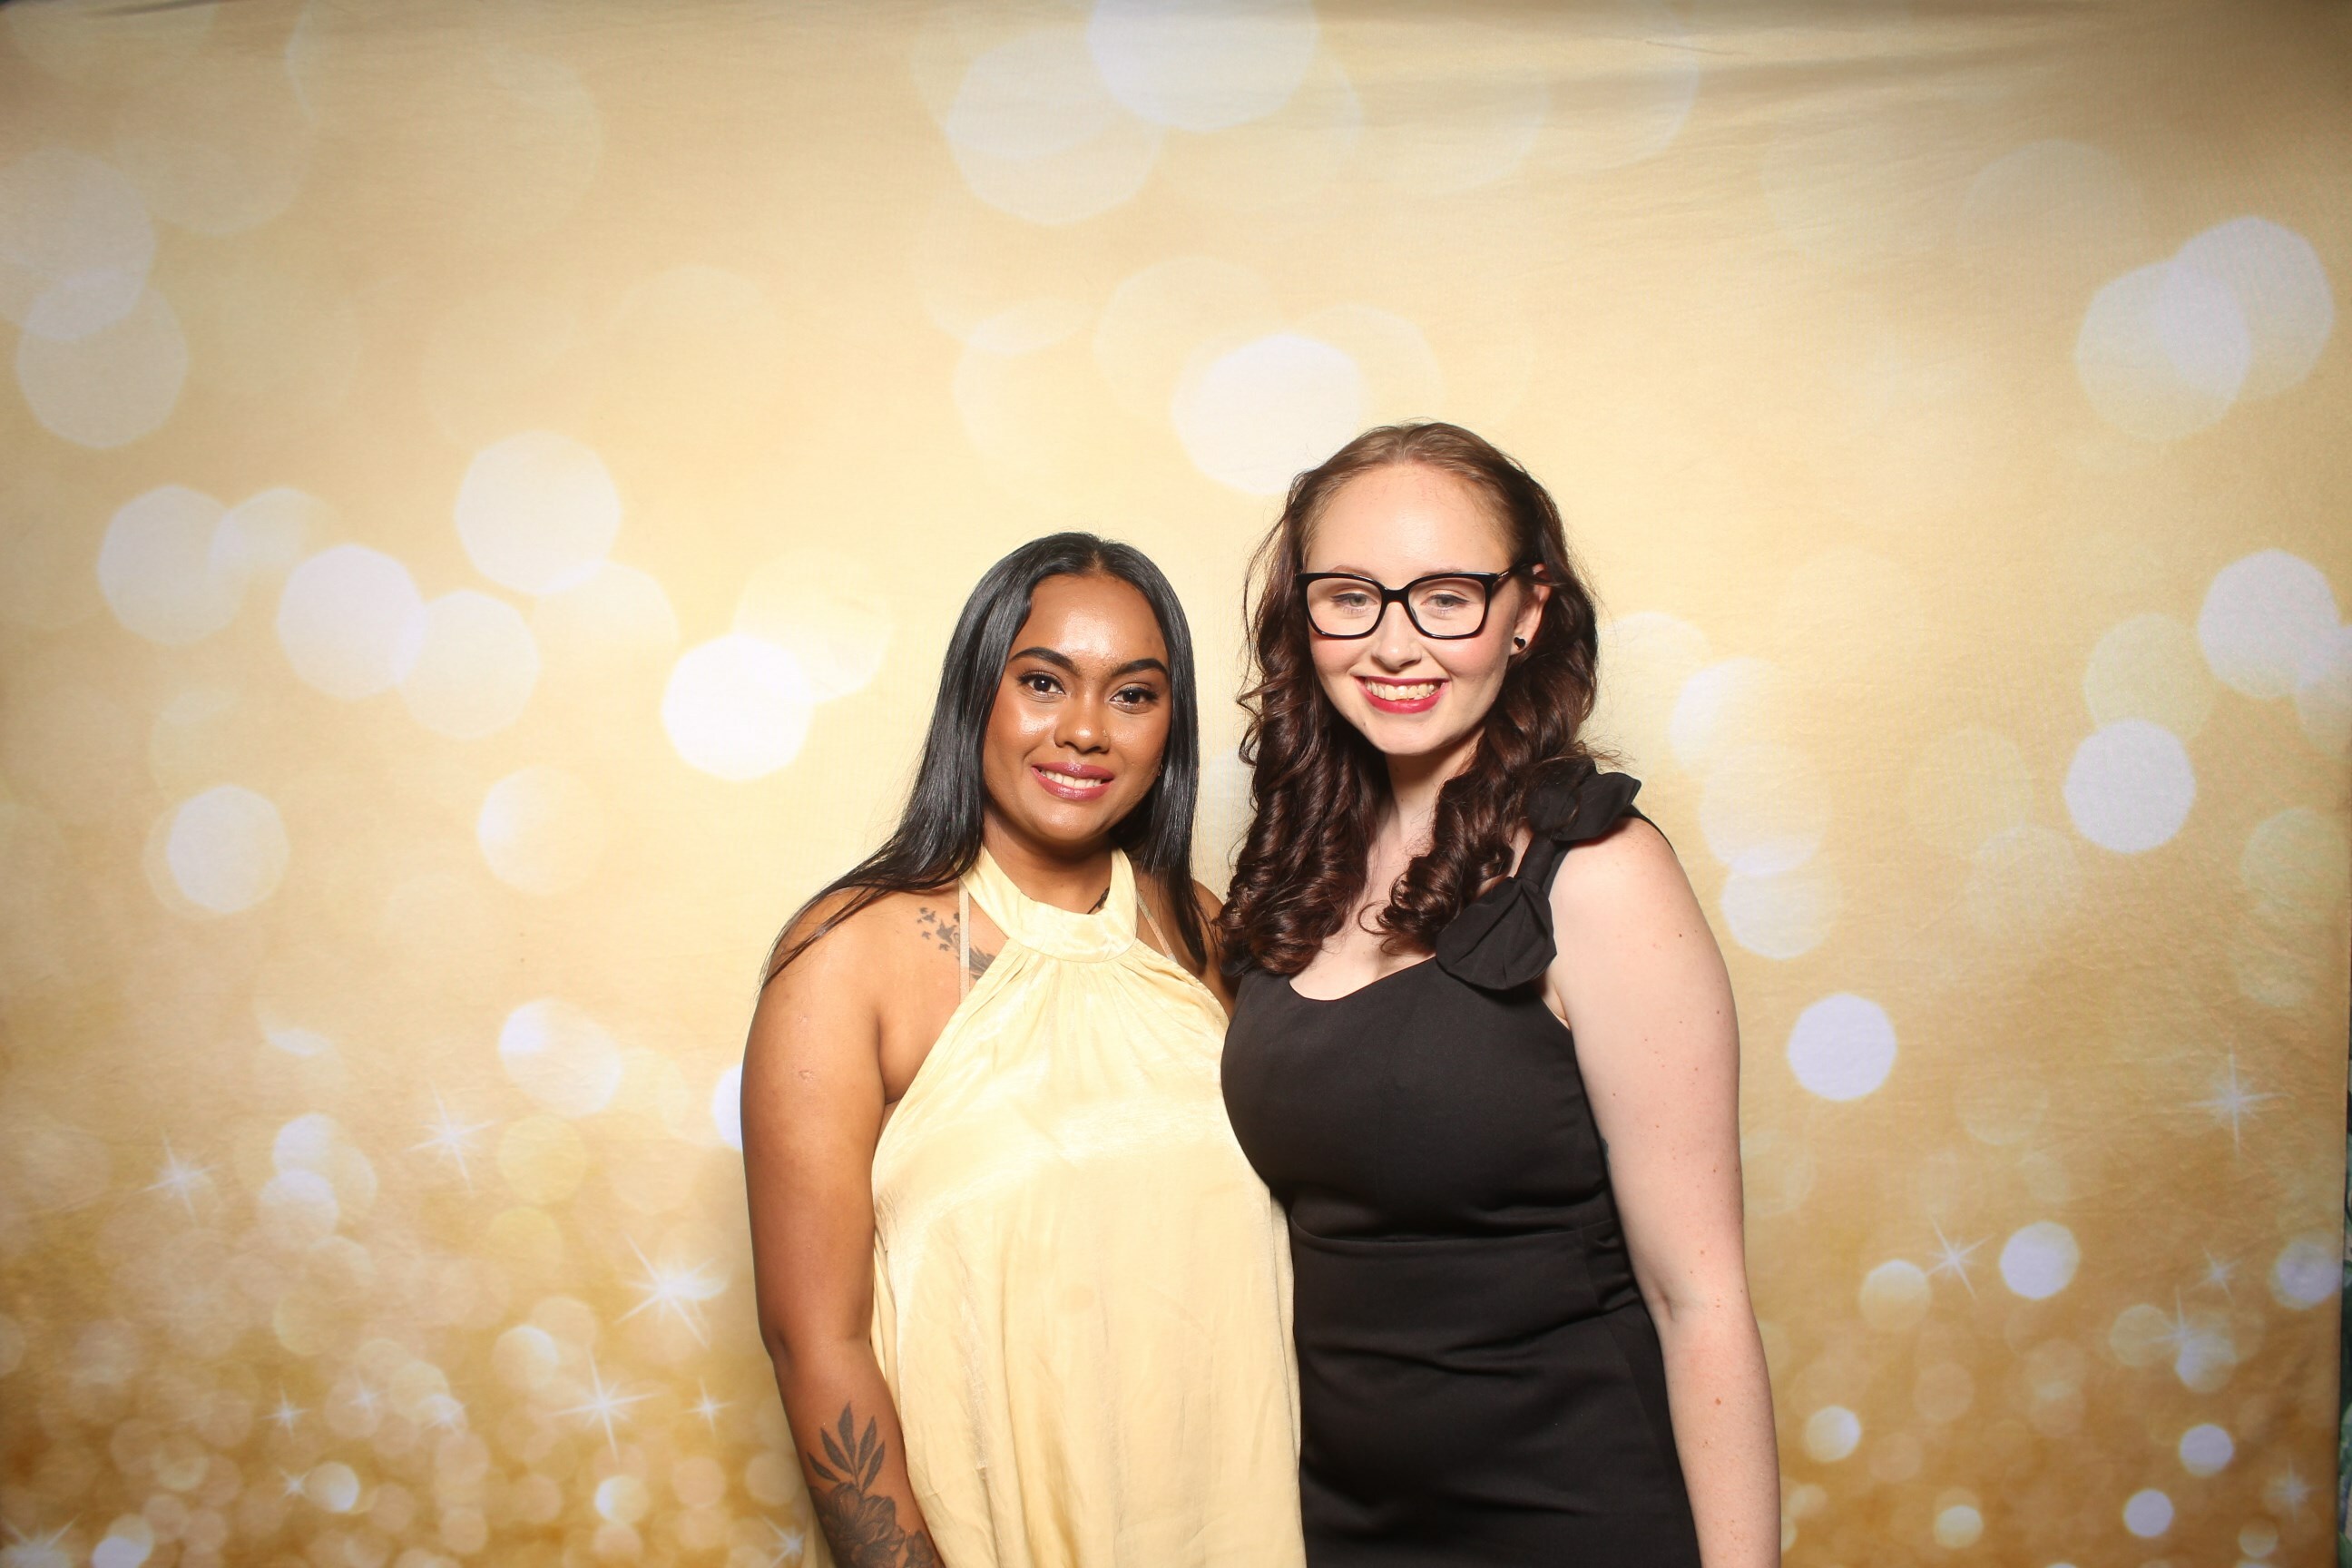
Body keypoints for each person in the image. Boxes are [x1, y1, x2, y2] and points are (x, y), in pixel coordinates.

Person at [1219, 423, 1779, 1566]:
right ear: (1303, 616)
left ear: (1527, 612)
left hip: (1574, 1521)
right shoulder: (1289, 872)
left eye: (1447, 598)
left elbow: (1701, 1299)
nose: (1395, 644)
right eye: (1351, 598)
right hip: (1342, 1529)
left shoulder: (1601, 876)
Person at [741, 534, 1305, 1568]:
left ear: (1170, 724)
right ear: (977, 694)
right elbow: (814, 1342)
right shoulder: (846, 957)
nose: (1085, 730)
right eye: (1043, 681)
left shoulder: (1206, 935)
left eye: (1133, 695)